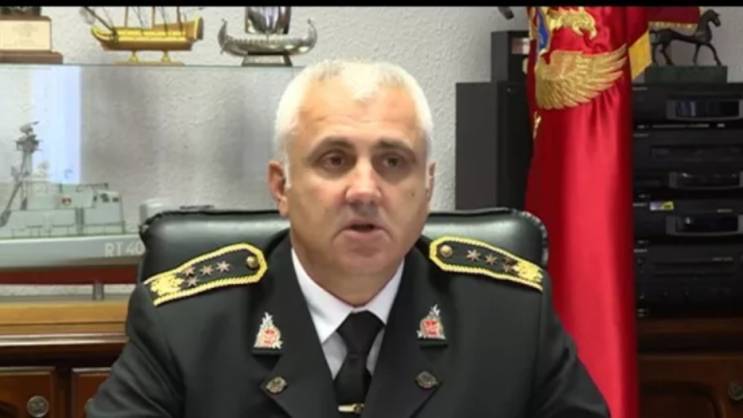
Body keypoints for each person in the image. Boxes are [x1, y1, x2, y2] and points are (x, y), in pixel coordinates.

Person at [87, 59, 609, 417]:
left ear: (428, 187)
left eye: (393, 162)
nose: (365, 190)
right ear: (281, 186)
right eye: (334, 160)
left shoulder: (509, 316)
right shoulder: (187, 324)